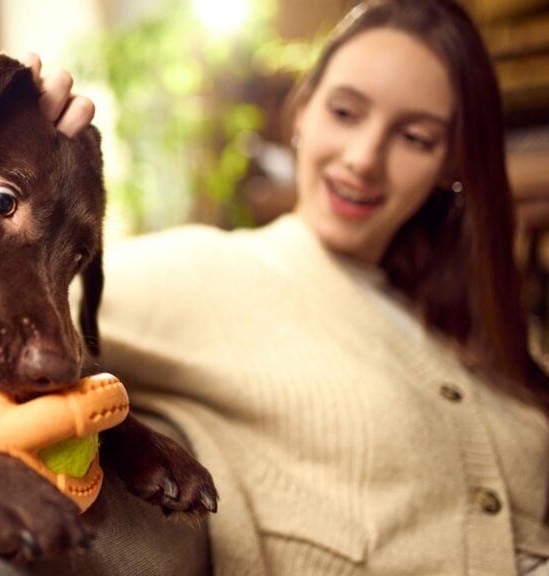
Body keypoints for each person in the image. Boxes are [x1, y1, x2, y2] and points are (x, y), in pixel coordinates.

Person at [37, 0, 549, 573]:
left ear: (449, 163)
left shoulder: (490, 330)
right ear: (302, 111)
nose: (363, 159)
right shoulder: (209, 272)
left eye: (414, 137)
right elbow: (7, 311)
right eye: (345, 112)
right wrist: (10, 149)